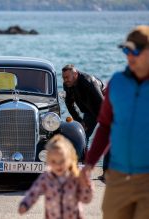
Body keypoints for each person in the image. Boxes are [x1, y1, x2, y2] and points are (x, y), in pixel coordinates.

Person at [81, 25, 149, 219]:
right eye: (126, 51)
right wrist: (89, 165)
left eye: (134, 51)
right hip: (118, 177)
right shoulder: (117, 83)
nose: (129, 56)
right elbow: (105, 126)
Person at [18, 134, 93, 219]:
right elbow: (34, 192)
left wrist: (86, 184)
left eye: (62, 161)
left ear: (70, 158)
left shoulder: (76, 177)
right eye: (53, 161)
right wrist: (25, 204)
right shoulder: (46, 178)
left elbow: (86, 199)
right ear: (48, 161)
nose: (58, 165)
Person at [62, 64, 109, 179]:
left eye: (67, 77)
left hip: (103, 108)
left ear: (75, 74)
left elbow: (103, 104)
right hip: (89, 111)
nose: (65, 80)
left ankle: (107, 173)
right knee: (82, 136)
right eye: (63, 77)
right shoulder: (67, 85)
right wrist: (79, 121)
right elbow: (69, 104)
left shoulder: (89, 83)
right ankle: (84, 168)